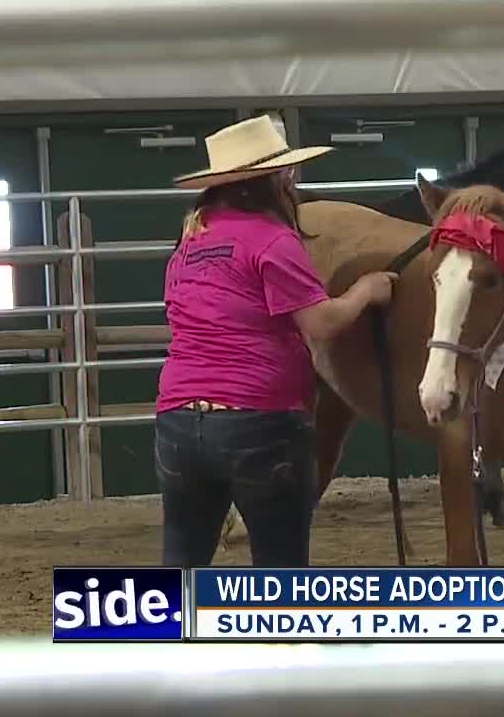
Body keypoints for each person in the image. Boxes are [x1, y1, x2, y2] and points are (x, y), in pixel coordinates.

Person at [155, 115, 396, 568]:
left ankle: (172, 636)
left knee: (182, 563)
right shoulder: (272, 240)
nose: (291, 178)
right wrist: (366, 290)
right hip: (259, 420)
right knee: (280, 570)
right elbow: (321, 324)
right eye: (286, 171)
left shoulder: (189, 243)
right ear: (275, 178)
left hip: (179, 420)